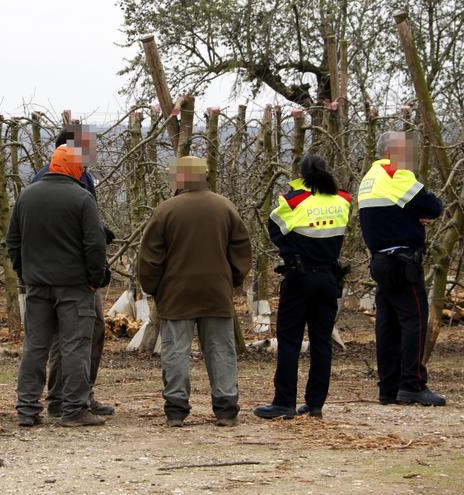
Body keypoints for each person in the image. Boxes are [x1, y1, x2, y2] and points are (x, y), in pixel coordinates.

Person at [137, 156, 252, 427]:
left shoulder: (165, 210)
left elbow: (150, 256)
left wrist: (153, 288)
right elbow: (241, 249)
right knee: (221, 350)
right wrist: (231, 280)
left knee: (176, 351)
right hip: (216, 292)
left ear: (179, 178)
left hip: (176, 293)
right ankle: (226, 408)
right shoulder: (225, 207)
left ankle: (175, 409)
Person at [7, 145, 108, 427]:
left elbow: (13, 241)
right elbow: (95, 244)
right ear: (75, 167)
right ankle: (74, 409)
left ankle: (27, 410)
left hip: (37, 285)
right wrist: (93, 279)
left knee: (35, 347)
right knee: (75, 346)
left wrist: (24, 273)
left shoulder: (26, 196)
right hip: (75, 287)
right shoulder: (82, 198)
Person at [253, 155, 352, 420]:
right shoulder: (343, 199)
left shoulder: (293, 200)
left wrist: (290, 251)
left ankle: (284, 403)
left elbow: (274, 227)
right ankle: (316, 403)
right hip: (330, 278)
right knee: (322, 342)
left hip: (300, 278)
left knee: (289, 341)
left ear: (301, 174)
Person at [32, 125, 116, 418]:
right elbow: (78, 228)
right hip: (74, 275)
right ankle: (73, 399)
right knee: (81, 333)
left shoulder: (52, 176)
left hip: (53, 272)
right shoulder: (69, 178)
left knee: (69, 336)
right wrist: (96, 273)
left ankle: (66, 397)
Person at [358, 131, 445, 407]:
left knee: (387, 324)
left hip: (380, 261)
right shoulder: (396, 174)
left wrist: (409, 217)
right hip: (403, 260)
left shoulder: (370, 178)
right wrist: (416, 217)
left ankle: (389, 387)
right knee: (414, 320)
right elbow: (433, 206)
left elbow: (390, 213)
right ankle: (413, 384)